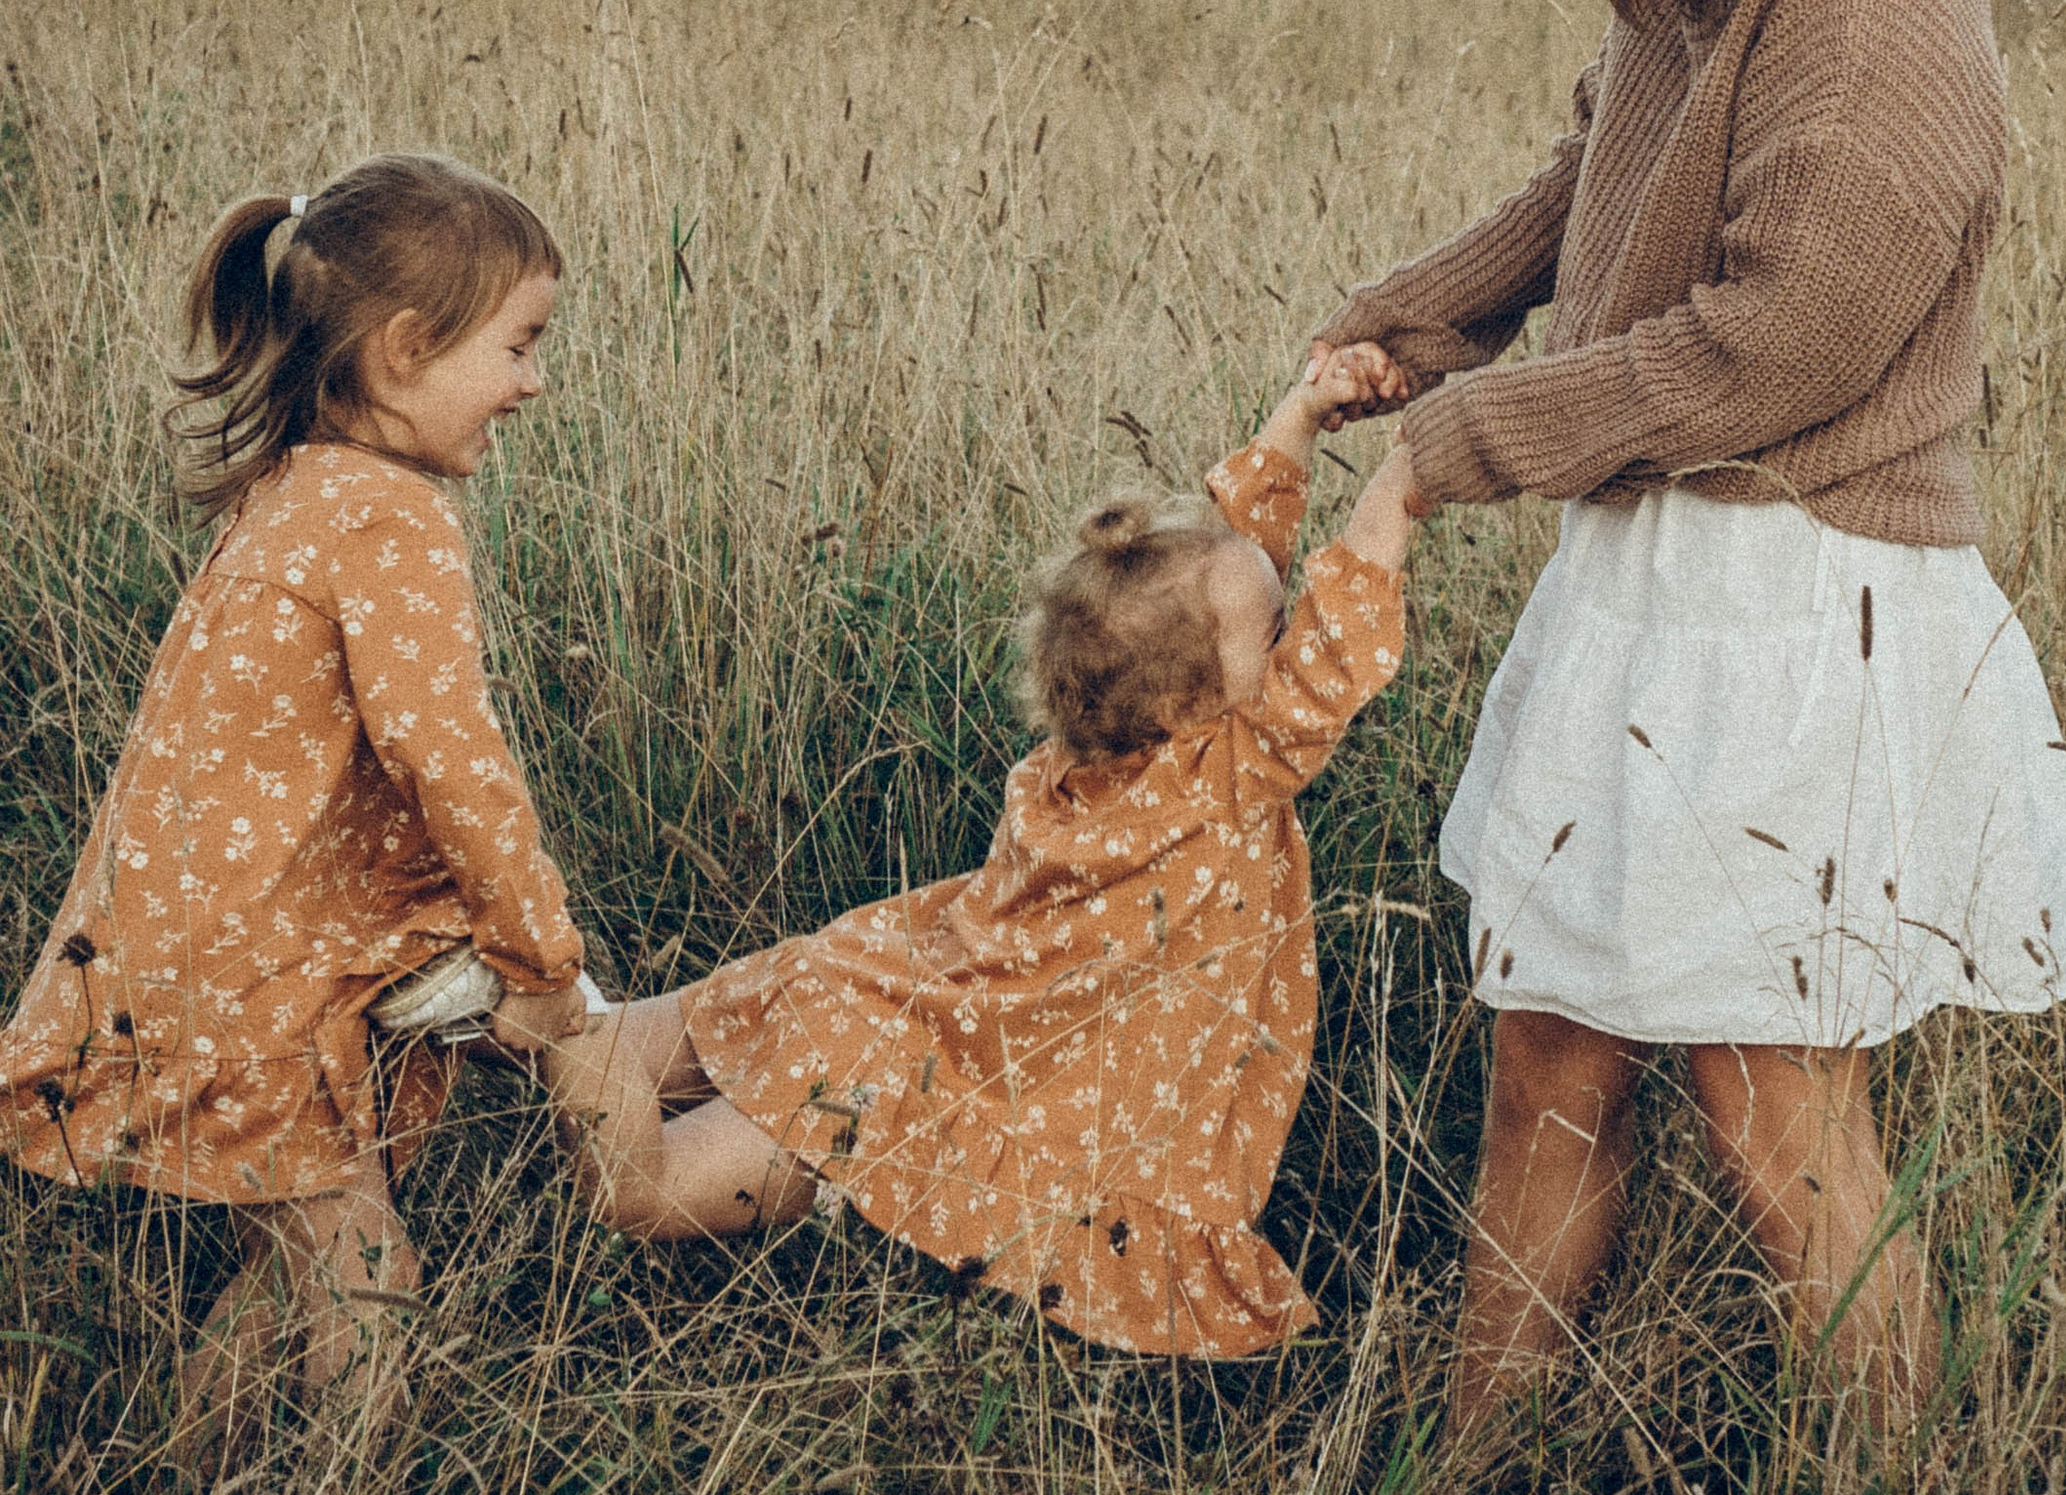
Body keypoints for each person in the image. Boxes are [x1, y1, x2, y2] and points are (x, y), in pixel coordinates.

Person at [1314, 0, 2066, 1430]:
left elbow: (1773, 351)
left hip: (1798, 604)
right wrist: (1418, 318)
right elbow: (1600, 163)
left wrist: (1463, 441)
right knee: (1547, 1057)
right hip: (1654, 577)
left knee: (1776, 1119)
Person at [545, 351, 1420, 1357]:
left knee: (616, 1039)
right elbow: (1331, 651)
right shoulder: (1220, 782)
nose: (1289, 637)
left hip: (881, 995)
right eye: (1273, 636)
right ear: (1189, 706)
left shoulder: (1085, 757)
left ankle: (507, 1017)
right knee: (644, 1191)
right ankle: (539, 1012)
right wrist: (1400, 483)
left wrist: (1301, 419)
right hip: (933, 1088)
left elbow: (1233, 572)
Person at [0, 155, 593, 1435]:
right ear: (400, 352)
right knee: (367, 1274)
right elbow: (454, 762)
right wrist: (539, 957)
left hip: (184, 953)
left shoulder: (294, 493)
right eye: (519, 344)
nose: (534, 383)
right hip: (251, 975)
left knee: (293, 1262)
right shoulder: (388, 521)